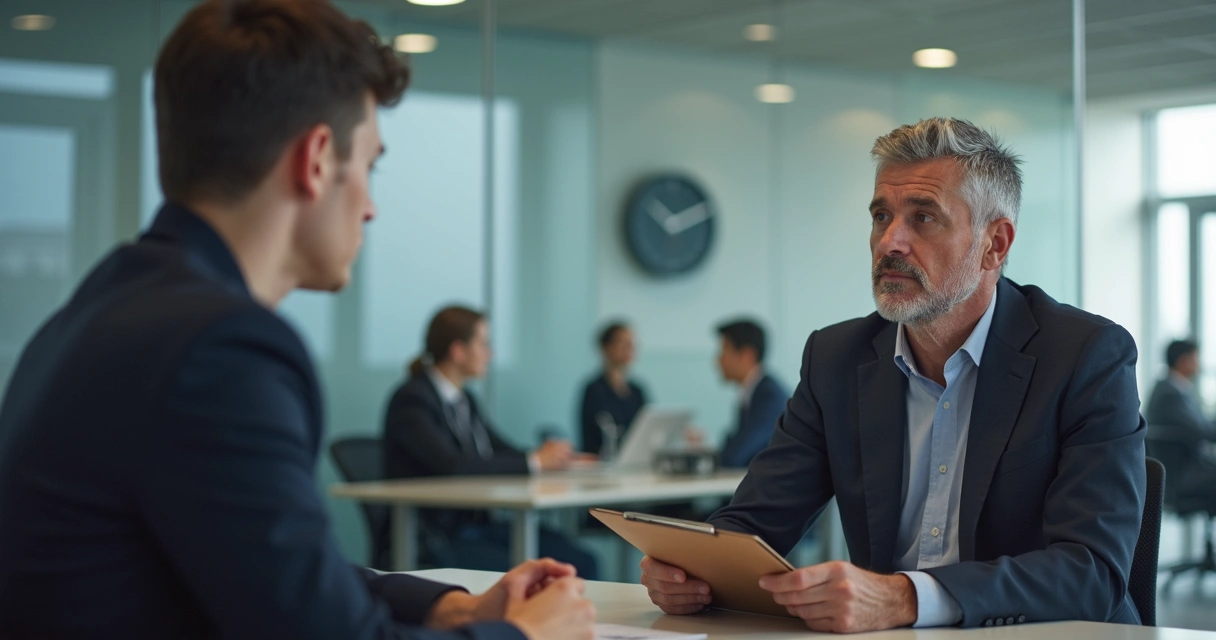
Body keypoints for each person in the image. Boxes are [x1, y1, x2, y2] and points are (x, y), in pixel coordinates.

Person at [0, 1, 596, 638]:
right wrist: (527, 636)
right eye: (370, 166)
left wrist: (452, 607)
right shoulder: (222, 348)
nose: (370, 207)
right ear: (315, 160)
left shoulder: (99, 312)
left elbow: (278, 571)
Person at [639, 117, 1146, 632]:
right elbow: (754, 524)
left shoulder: (1084, 355)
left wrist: (906, 598)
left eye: (923, 218)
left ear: (995, 244)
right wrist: (691, 569)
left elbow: (1092, 572)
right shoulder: (836, 358)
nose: (890, 242)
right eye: (882, 216)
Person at [383, 305, 599, 579]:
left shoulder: (465, 400)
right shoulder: (413, 399)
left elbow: (499, 450)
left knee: (580, 559)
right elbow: (453, 465)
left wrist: (551, 458)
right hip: (437, 536)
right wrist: (533, 461)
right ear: (458, 351)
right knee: (546, 571)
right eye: (484, 344)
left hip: (478, 527)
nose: (490, 353)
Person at [713, 319, 790, 468]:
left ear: (747, 355)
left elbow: (736, 456)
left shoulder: (768, 397)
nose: (718, 360)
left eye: (724, 351)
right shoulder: (753, 392)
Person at [579, 321, 648, 456]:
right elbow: (591, 441)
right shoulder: (594, 391)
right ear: (606, 347)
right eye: (623, 343)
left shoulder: (637, 391)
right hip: (603, 464)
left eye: (632, 344)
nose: (629, 349)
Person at [1146, 339, 1213, 439]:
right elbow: (1200, 429)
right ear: (1183, 361)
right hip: (1186, 453)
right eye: (1196, 359)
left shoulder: (1170, 387)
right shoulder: (1170, 395)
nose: (1199, 365)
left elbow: (1201, 423)